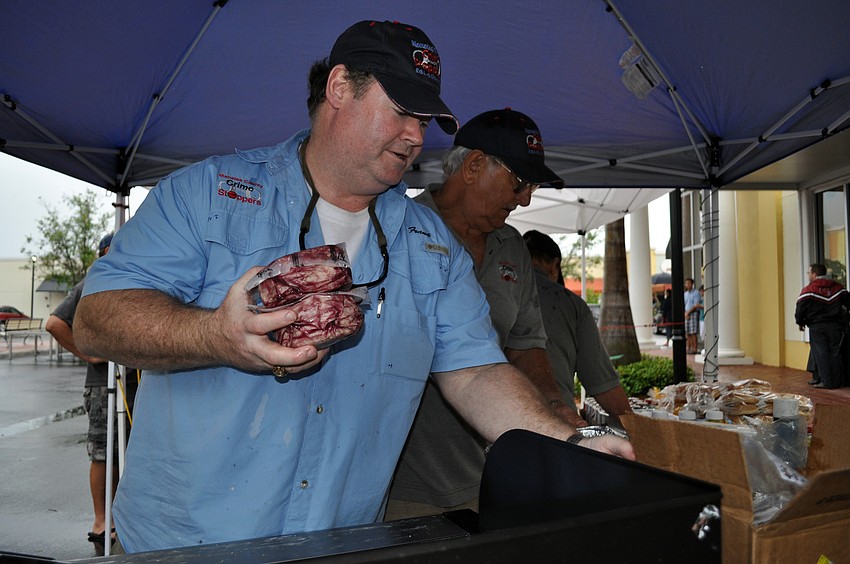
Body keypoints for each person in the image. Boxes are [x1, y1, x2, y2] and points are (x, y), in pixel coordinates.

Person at [73, 21, 633, 553]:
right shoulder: (210, 195)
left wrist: (565, 440)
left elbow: (477, 371)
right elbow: (95, 320)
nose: (416, 136)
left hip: (338, 546)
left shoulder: (428, 246)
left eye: (425, 119)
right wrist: (214, 336)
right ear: (340, 87)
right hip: (185, 546)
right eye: (402, 111)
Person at [386, 108, 583, 520]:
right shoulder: (399, 230)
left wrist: (553, 405)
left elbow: (525, 343)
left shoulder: (512, 248)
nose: (526, 198)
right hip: (402, 484)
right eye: (519, 182)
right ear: (474, 165)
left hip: (488, 473)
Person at [45, 233, 138, 556]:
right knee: (104, 451)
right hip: (104, 385)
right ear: (106, 252)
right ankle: (101, 520)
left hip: (136, 380)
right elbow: (54, 323)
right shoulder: (95, 280)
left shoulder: (135, 277)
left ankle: (126, 516)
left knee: (132, 449)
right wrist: (87, 353)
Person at [522, 229, 632, 429]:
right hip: (558, 428)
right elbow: (602, 383)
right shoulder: (570, 304)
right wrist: (637, 429)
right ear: (555, 265)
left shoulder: (491, 296)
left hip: (499, 430)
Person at [794, 263, 850, 389]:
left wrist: (800, 322)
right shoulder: (838, 288)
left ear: (814, 274)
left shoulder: (809, 290)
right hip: (835, 326)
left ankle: (827, 381)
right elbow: (848, 301)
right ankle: (837, 381)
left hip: (817, 327)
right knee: (835, 352)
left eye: (809, 273)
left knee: (821, 354)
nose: (808, 275)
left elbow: (800, 309)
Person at [683, 277, 700, 354]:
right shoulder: (685, 294)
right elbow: (684, 304)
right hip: (686, 314)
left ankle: (694, 348)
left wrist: (688, 312)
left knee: (693, 332)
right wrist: (685, 313)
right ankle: (688, 347)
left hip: (693, 313)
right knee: (687, 332)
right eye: (686, 283)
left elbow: (696, 305)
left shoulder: (696, 292)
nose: (688, 284)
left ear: (692, 284)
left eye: (689, 283)